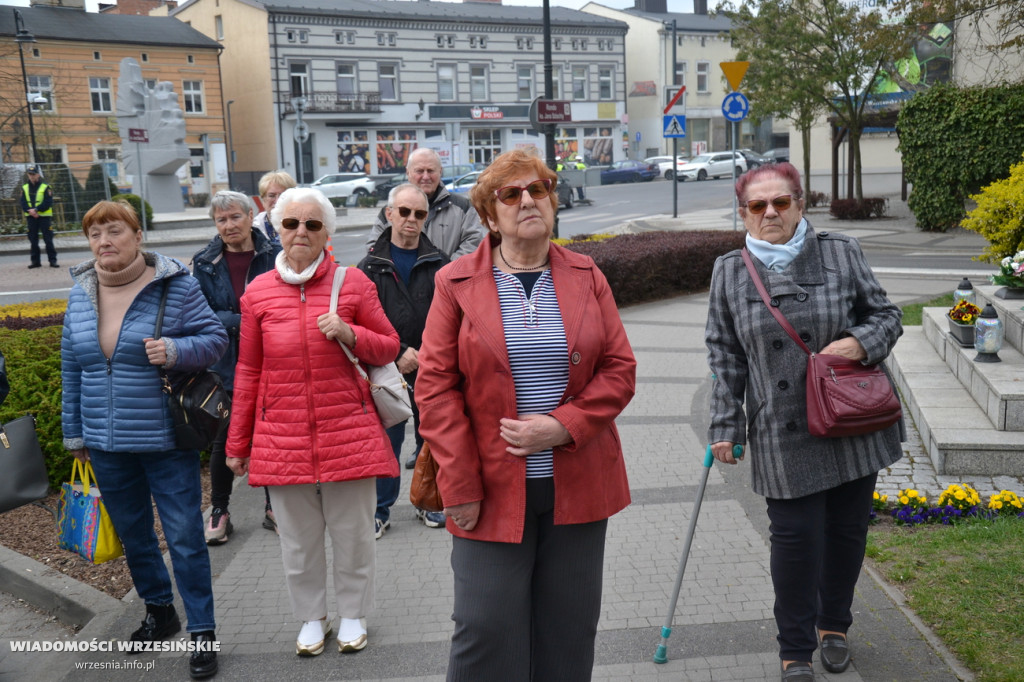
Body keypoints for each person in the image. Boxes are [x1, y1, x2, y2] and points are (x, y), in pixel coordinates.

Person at [415, 148, 637, 681]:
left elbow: (619, 369)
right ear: (489, 214)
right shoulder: (455, 283)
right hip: (488, 484)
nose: (527, 201)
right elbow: (435, 387)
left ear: (553, 201)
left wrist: (564, 426)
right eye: (510, 194)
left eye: (538, 189)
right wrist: (460, 485)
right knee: (484, 626)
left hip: (578, 484)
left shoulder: (587, 275)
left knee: (569, 629)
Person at [705, 162, 904, 682]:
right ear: (744, 214)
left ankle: (834, 626)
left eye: (781, 202)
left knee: (845, 534)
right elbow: (724, 352)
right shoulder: (729, 270)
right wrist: (726, 422)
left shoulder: (841, 251)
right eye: (757, 206)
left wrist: (863, 341)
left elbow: (886, 314)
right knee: (794, 543)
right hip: (781, 429)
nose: (770, 213)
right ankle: (794, 650)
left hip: (850, 420)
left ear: (800, 204)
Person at [224, 187, 400, 657]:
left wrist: (349, 332)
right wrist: (238, 443)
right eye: (291, 223)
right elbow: (248, 370)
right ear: (277, 229)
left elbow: (389, 345)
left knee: (354, 536)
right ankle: (311, 618)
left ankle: (353, 614)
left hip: (349, 430)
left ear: (327, 233)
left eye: (312, 224)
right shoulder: (258, 292)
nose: (301, 232)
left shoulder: (354, 283)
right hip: (281, 437)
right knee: (297, 542)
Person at [61, 200, 227, 679]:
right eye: (95, 235)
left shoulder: (176, 286)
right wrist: (75, 434)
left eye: (114, 231)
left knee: (185, 539)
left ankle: (202, 630)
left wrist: (175, 349)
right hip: (106, 442)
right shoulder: (81, 292)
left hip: (165, 439)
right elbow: (72, 367)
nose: (104, 242)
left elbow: (215, 338)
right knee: (135, 536)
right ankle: (160, 611)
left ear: (137, 236)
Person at [357, 183, 449, 536]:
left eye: (420, 214)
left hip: (432, 365)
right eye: (405, 211)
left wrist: (428, 354)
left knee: (433, 438)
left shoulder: (441, 264)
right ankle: (380, 512)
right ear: (389, 214)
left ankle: (428, 503)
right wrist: (396, 354)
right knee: (387, 442)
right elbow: (359, 321)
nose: (412, 219)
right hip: (386, 368)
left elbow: (453, 318)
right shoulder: (368, 267)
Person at [192, 191, 281, 544]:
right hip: (225, 364)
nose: (229, 225)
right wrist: (246, 318)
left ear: (250, 216)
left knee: (271, 434)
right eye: (221, 220)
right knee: (223, 438)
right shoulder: (205, 262)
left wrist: (239, 318)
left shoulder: (274, 255)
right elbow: (199, 314)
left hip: (271, 359)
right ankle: (219, 510)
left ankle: (274, 505)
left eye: (235, 217)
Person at [365, 147, 484, 260]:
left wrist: (445, 272)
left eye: (431, 170)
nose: (426, 177)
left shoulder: (463, 207)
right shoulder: (392, 208)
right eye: (420, 171)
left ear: (440, 172)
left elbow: (473, 243)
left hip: (447, 279)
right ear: (408, 173)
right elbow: (374, 247)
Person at [20, 166, 58, 269]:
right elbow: (23, 202)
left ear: (38, 175)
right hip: (31, 218)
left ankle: (52, 261)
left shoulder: (46, 187)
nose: (31, 176)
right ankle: (35, 262)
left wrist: (36, 210)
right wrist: (30, 211)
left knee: (48, 239)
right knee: (33, 240)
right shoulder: (25, 187)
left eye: (33, 174)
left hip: (44, 217)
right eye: (29, 174)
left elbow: (48, 202)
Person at [254, 170, 296, 243]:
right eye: (271, 196)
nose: (277, 201)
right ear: (263, 200)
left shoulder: (302, 226)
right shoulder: (254, 229)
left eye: (282, 195)